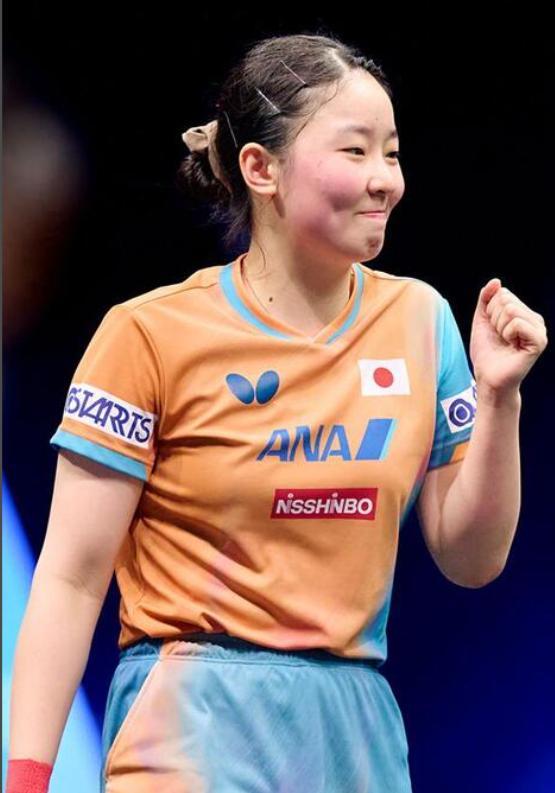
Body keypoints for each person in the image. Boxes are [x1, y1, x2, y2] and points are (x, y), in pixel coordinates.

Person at [7, 31, 499, 793]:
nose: (385, 180)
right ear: (260, 168)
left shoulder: (420, 320)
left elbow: (471, 559)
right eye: (355, 151)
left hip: (353, 729)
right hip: (190, 720)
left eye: (392, 153)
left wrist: (499, 397)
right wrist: (26, 778)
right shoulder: (148, 333)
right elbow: (71, 578)